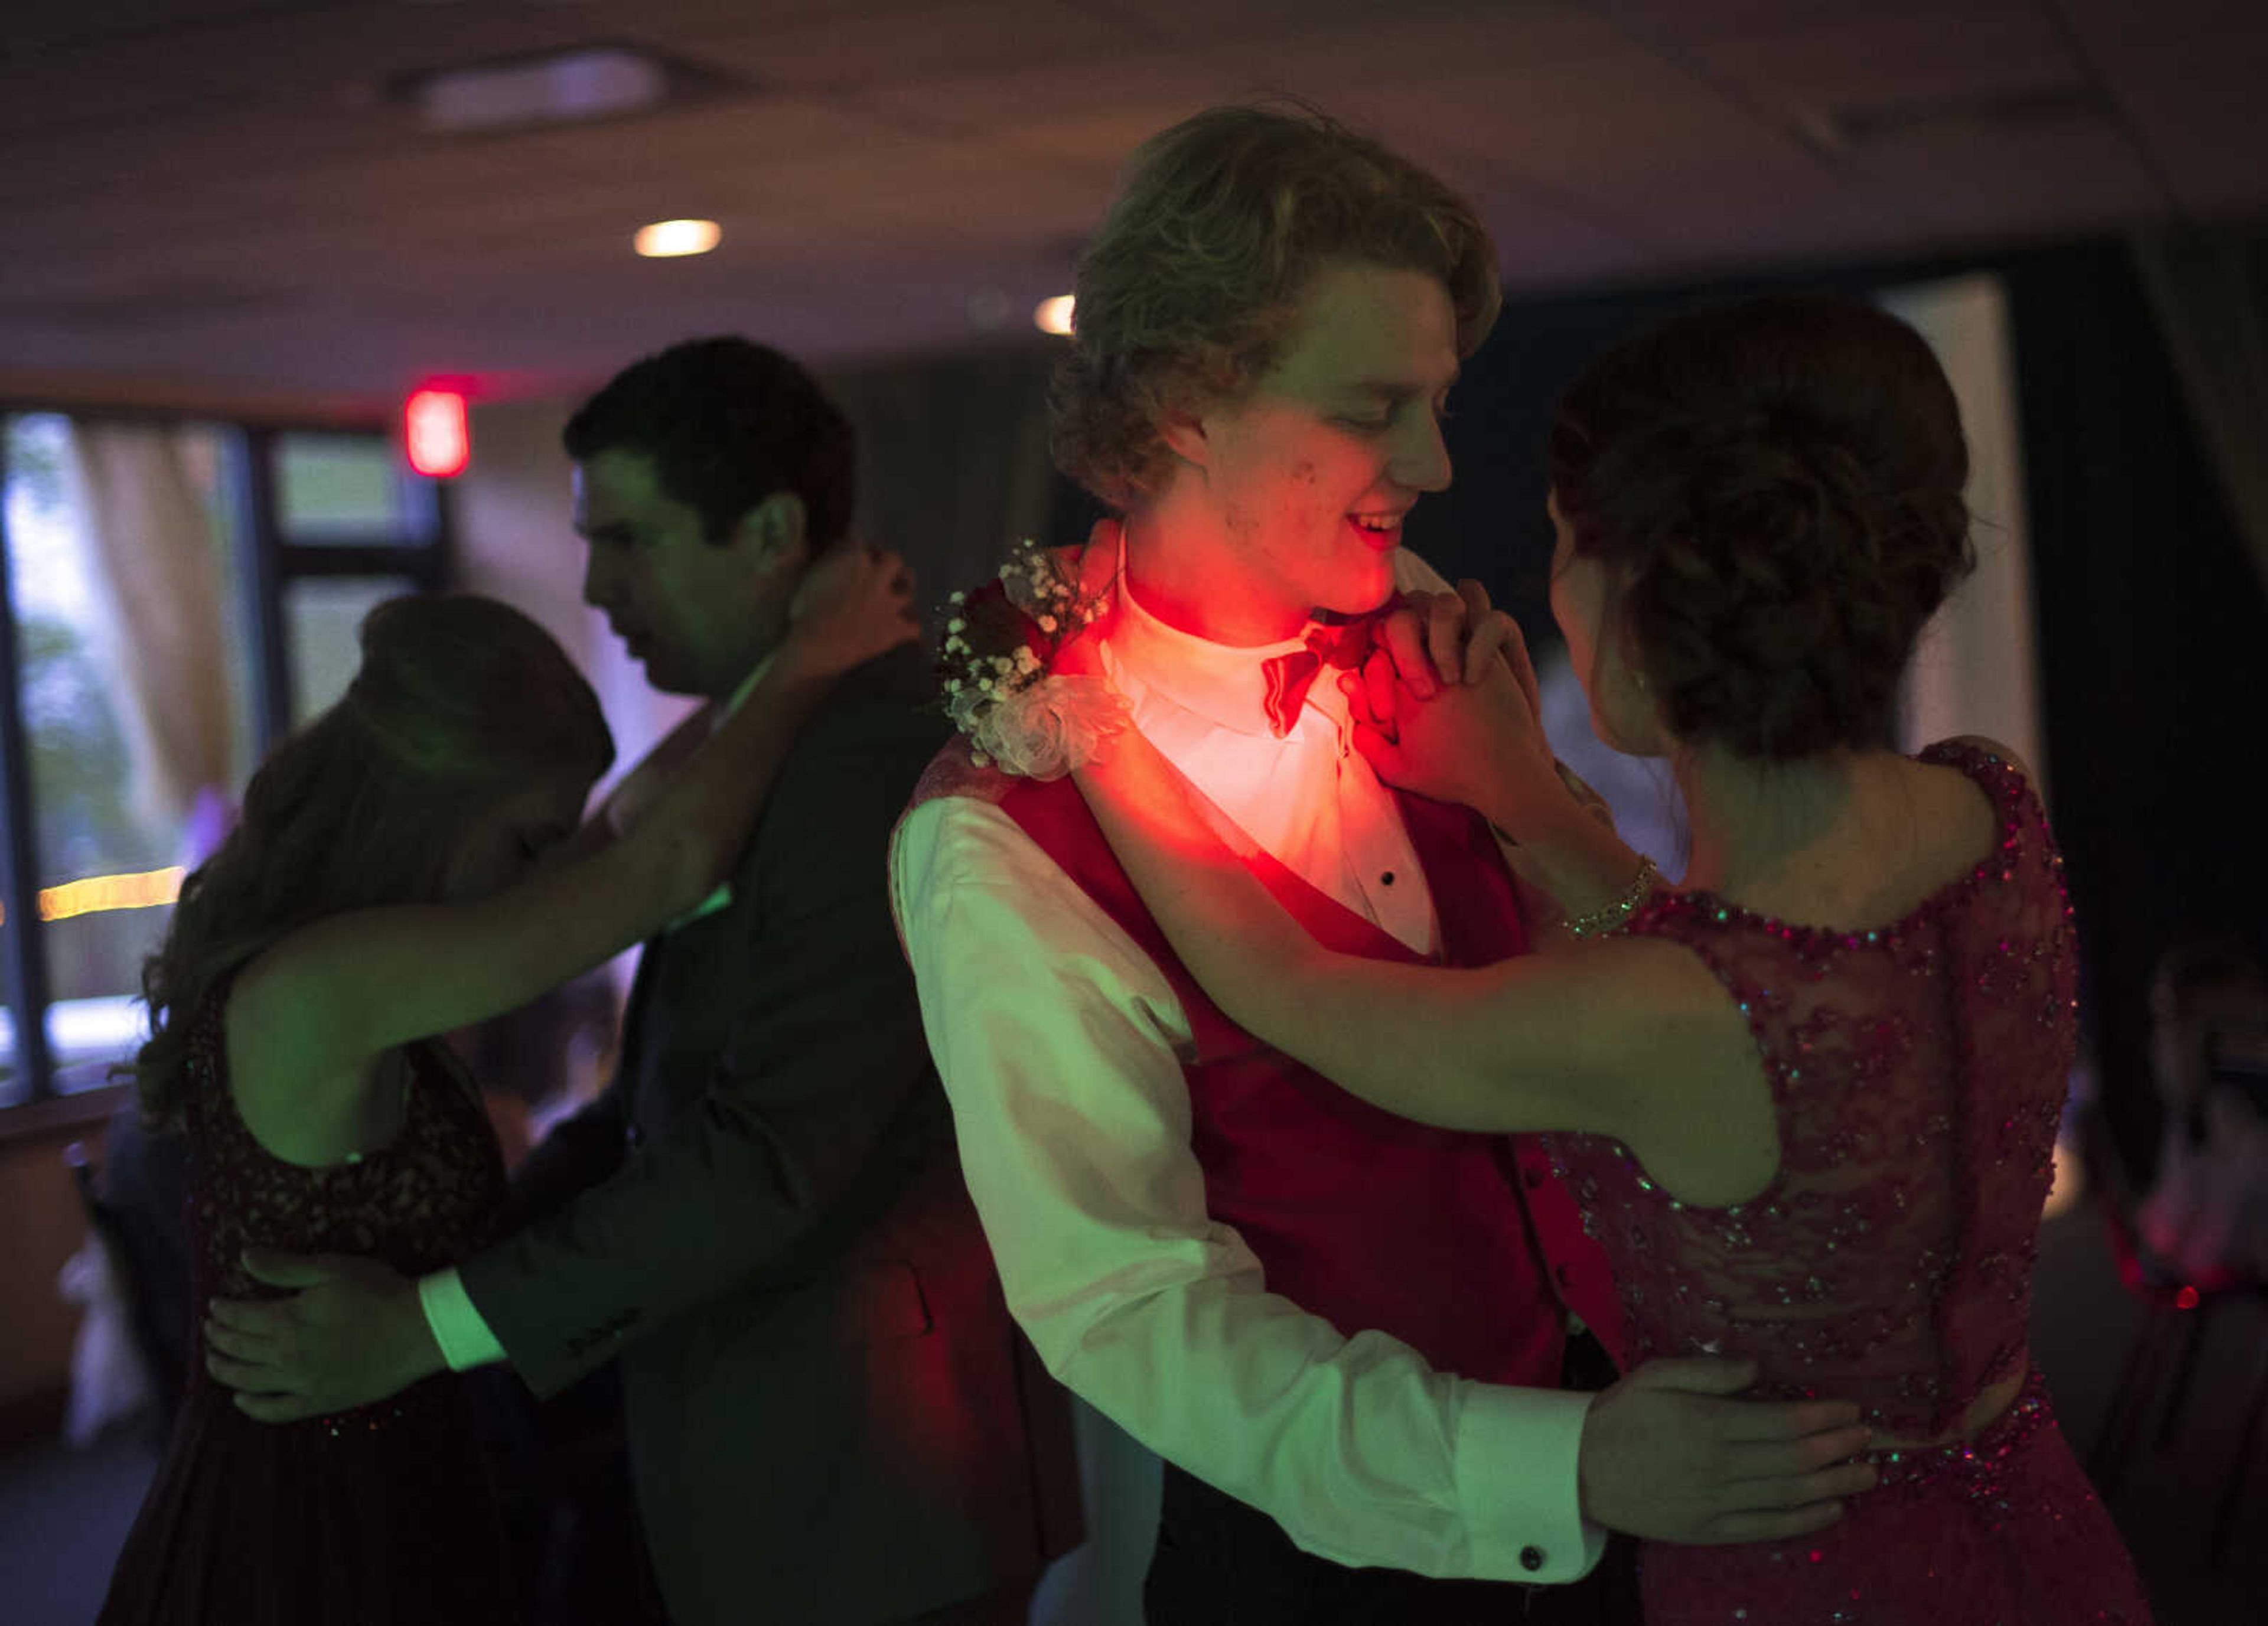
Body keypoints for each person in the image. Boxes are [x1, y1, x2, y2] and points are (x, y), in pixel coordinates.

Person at [891, 106, 1875, 1626]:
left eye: (1436, 401)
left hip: (1672, 1481)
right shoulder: (993, 839)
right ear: (1182, 405)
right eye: (1373, 408)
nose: (1429, 461)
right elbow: (1136, 1313)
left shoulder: (1415, 618)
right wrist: (1561, 1467)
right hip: (1347, 1567)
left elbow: (1636, 992)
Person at [1059, 295, 2157, 1624]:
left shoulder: (1648, 1014)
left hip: (1810, 1577)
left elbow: (1285, 989)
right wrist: (1524, 792)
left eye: (1565, 548)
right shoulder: (1994, 809)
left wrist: (1089, 710)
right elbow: (1752, 971)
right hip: (2034, 1532)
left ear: (1632, 603)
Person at [201, 337, 1080, 1626]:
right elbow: (645, 1087)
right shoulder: (776, 743)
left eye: (629, 538)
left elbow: (766, 1153)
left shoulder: (865, 760)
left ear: (772, 531)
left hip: (863, 1479)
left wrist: (430, 1325)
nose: (598, 584)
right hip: (768, 1457)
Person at [101, 569, 917, 1625]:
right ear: (432, 812)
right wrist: (810, 662)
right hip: (310, 1513)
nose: (540, 869)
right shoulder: (320, 984)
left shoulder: (347, 955)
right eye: (525, 838)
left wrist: (750, 688)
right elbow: (660, 867)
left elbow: (623, 834)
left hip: (395, 1463)